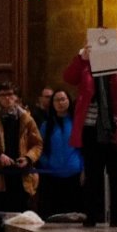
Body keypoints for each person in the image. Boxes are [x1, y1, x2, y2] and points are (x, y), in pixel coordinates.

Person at [63, 42, 117, 227]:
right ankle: (92, 215)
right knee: (93, 174)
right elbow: (69, 77)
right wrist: (81, 57)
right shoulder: (86, 65)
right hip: (91, 127)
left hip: (116, 126)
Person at [0, 82, 42, 213]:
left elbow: (37, 144)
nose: (7, 98)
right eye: (3, 95)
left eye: (10, 94)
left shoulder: (27, 119)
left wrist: (28, 158)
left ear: (16, 97)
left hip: (21, 175)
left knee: (21, 214)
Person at [35, 88, 83, 219]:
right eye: (56, 100)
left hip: (74, 173)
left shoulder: (77, 123)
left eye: (63, 99)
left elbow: (83, 148)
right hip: (52, 174)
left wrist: (83, 168)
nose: (60, 103)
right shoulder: (46, 125)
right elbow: (40, 147)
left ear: (69, 101)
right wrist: (47, 163)